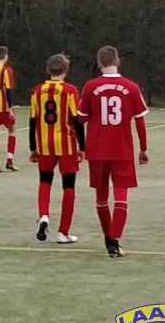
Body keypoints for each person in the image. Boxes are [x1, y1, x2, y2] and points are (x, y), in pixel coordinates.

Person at [77, 45, 149, 258]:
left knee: (101, 197)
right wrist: (143, 149)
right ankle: (115, 240)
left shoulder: (90, 86)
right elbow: (140, 122)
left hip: (96, 150)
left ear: (99, 64)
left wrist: (80, 146)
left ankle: (108, 238)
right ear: (118, 62)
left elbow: (80, 119)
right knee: (121, 196)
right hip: (122, 150)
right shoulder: (131, 87)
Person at [29, 54, 85, 244]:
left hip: (44, 144)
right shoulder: (70, 91)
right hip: (66, 144)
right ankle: (63, 232)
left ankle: (44, 215)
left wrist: (33, 147)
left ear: (48, 70)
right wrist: (82, 146)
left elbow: (32, 121)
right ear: (66, 70)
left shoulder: (37, 91)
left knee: (45, 181)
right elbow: (77, 120)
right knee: (68, 186)